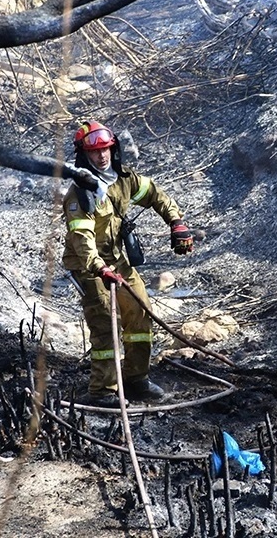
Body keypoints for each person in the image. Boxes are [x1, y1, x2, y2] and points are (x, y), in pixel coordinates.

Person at [61, 121, 195, 406]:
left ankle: (136, 379)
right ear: (84, 155)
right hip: (88, 266)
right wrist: (100, 269)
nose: (102, 156)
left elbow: (155, 194)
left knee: (140, 311)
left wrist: (176, 222)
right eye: (95, 152)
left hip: (117, 260)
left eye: (106, 149)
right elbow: (82, 239)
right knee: (106, 322)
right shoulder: (79, 194)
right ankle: (103, 391)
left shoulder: (123, 179)